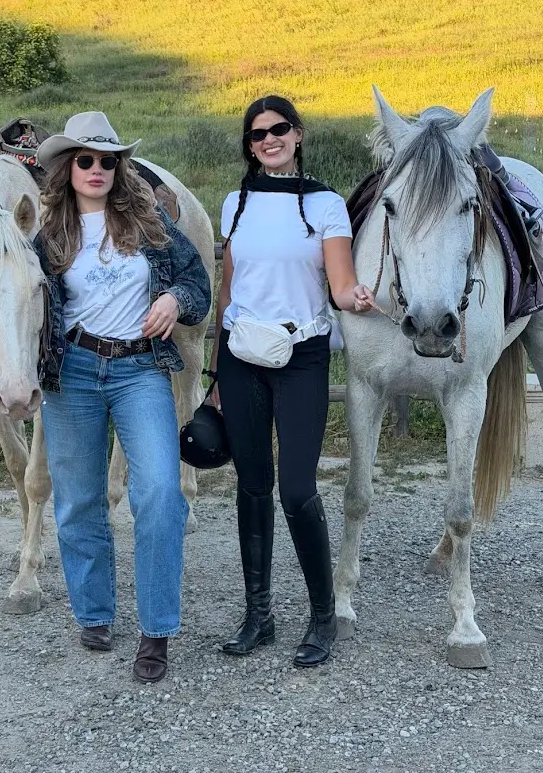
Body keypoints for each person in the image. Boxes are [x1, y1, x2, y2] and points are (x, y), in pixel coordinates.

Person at [34, 111, 211, 683]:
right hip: (76, 370)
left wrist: (174, 301)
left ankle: (157, 630)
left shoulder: (150, 221)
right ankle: (94, 614)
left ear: (119, 166)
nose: (97, 169)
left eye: (107, 160)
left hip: (139, 368)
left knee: (161, 492)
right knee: (80, 498)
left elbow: (198, 284)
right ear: (67, 167)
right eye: (85, 160)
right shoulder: (48, 234)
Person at [209, 95, 375, 668]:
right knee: (252, 484)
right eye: (257, 135)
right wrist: (214, 377)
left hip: (302, 353)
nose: (268, 141)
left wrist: (357, 298)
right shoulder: (236, 202)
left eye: (278, 130)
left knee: (297, 488)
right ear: (249, 145)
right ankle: (259, 614)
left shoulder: (326, 204)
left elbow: (340, 285)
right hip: (241, 355)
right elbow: (228, 290)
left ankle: (323, 616)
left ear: (298, 134)